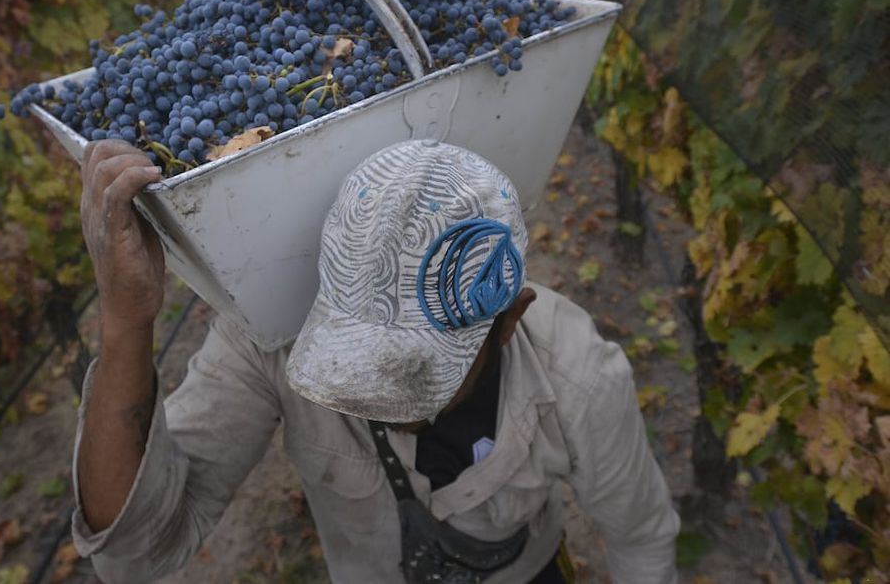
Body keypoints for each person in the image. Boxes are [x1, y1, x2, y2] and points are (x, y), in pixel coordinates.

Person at [72, 138, 681, 584]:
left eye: (414, 372)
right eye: (357, 351)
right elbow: (133, 557)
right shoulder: (270, 339)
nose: (377, 396)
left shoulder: (577, 374)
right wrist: (126, 322)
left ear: (509, 319)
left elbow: (642, 538)